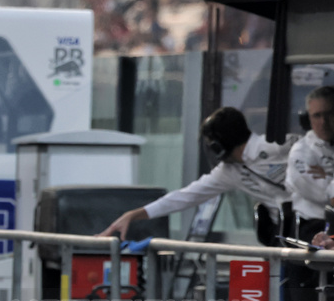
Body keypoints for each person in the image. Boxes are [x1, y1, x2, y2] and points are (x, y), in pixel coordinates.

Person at [100, 106, 294, 239]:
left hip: (307, 222)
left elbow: (306, 148)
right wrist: (134, 215)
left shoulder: (276, 146)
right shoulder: (229, 172)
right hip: (283, 233)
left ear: (219, 144)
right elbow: (185, 197)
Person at [286, 86, 334, 240]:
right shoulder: (301, 152)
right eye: (317, 116)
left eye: (329, 114)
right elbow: (320, 194)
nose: (323, 122)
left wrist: (328, 178)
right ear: (307, 119)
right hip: (313, 228)